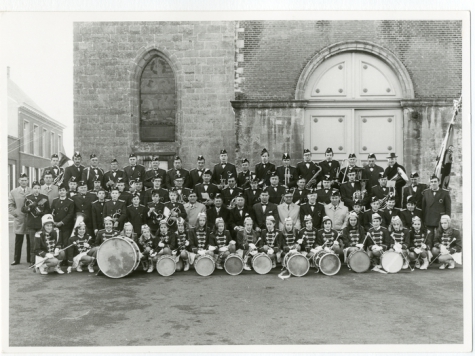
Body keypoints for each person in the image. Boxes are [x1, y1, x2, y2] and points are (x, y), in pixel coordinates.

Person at [22, 180, 51, 267]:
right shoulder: (28, 197)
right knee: (32, 243)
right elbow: (23, 209)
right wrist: (30, 207)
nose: (36, 190)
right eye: (35, 188)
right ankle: (32, 261)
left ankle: (42, 261)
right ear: (32, 189)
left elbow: (48, 210)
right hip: (31, 223)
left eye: (38, 188)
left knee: (42, 242)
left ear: (40, 189)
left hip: (41, 224)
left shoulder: (44, 197)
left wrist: (42, 213)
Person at [8, 173, 32, 265]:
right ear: (19, 181)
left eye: (25, 180)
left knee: (30, 240)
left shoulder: (32, 190)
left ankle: (30, 259)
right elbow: (10, 204)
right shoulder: (13, 192)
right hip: (19, 219)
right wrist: (15, 213)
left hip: (30, 219)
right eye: (22, 180)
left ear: (28, 181)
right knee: (18, 240)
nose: (24, 182)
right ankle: (16, 259)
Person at [51, 184, 75, 264]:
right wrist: (54, 222)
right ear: (58, 192)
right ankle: (57, 259)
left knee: (65, 242)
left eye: (63, 190)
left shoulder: (70, 202)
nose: (62, 192)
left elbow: (70, 214)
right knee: (57, 242)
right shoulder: (55, 201)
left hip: (66, 226)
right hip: (56, 226)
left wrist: (62, 222)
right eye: (60, 190)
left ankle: (64, 260)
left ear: (66, 191)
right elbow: (52, 212)